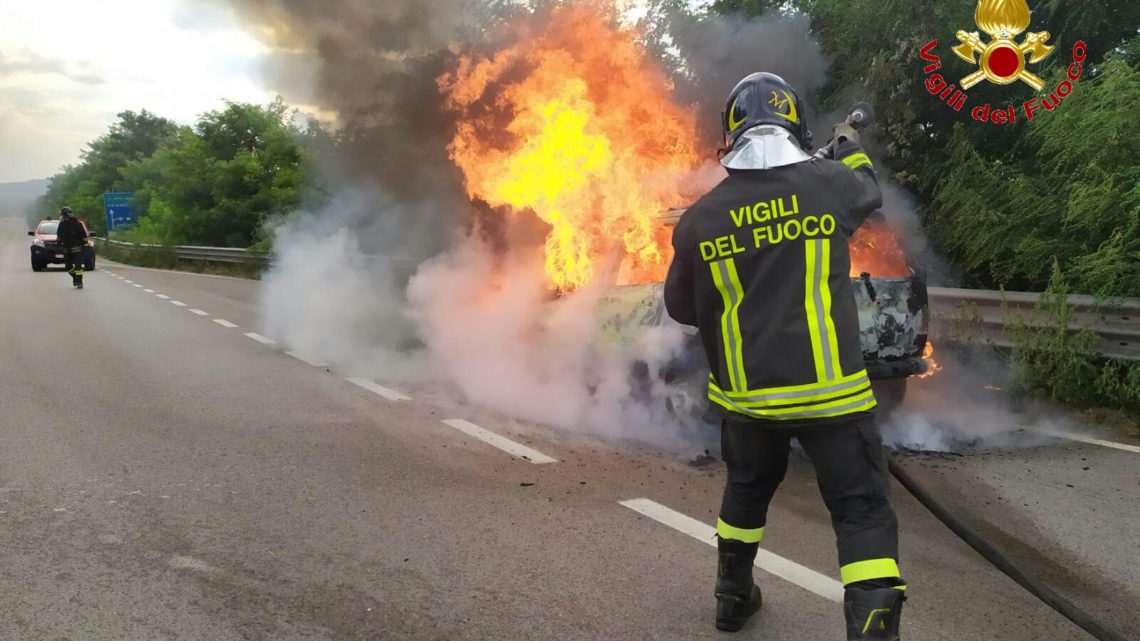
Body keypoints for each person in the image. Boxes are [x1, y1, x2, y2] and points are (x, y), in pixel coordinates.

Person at [663, 72, 906, 639]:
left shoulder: (700, 219)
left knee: (745, 491)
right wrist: (849, 149)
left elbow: (680, 307)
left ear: (730, 134)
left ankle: (732, 596)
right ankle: (872, 629)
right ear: (795, 124)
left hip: (747, 402)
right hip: (834, 397)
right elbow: (866, 192)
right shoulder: (828, 185)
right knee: (861, 511)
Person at [56, 207, 87, 289]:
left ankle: (79, 281)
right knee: (68, 267)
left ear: (65, 215)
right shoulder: (61, 225)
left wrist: (84, 245)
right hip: (67, 249)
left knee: (78, 266)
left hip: (77, 249)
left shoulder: (77, 224)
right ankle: (75, 278)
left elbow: (84, 236)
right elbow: (59, 236)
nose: (61, 216)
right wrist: (58, 244)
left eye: (62, 215)